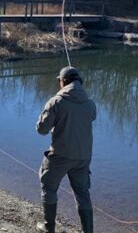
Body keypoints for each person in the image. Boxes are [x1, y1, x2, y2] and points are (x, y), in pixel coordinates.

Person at [36, 66, 96, 233]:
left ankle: (49, 228)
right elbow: (92, 116)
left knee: (48, 187)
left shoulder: (56, 101)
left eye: (59, 81)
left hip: (61, 155)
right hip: (84, 157)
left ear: (64, 81)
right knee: (82, 193)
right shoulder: (90, 103)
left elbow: (41, 130)